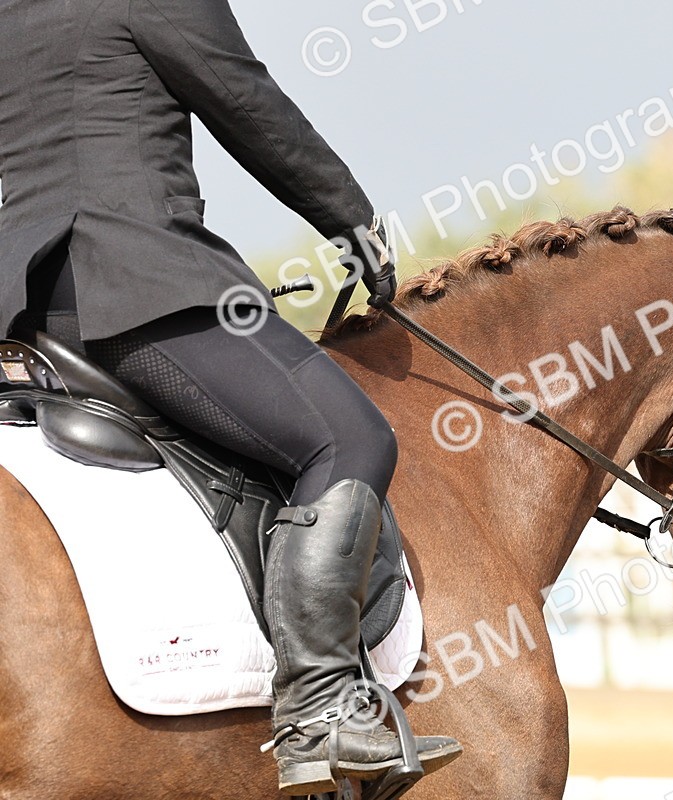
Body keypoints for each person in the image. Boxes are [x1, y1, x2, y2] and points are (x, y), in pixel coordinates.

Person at [0, 0, 457, 794]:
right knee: (349, 440)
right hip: (138, 281)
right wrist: (352, 223)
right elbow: (247, 103)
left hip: (30, 306)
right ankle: (319, 709)